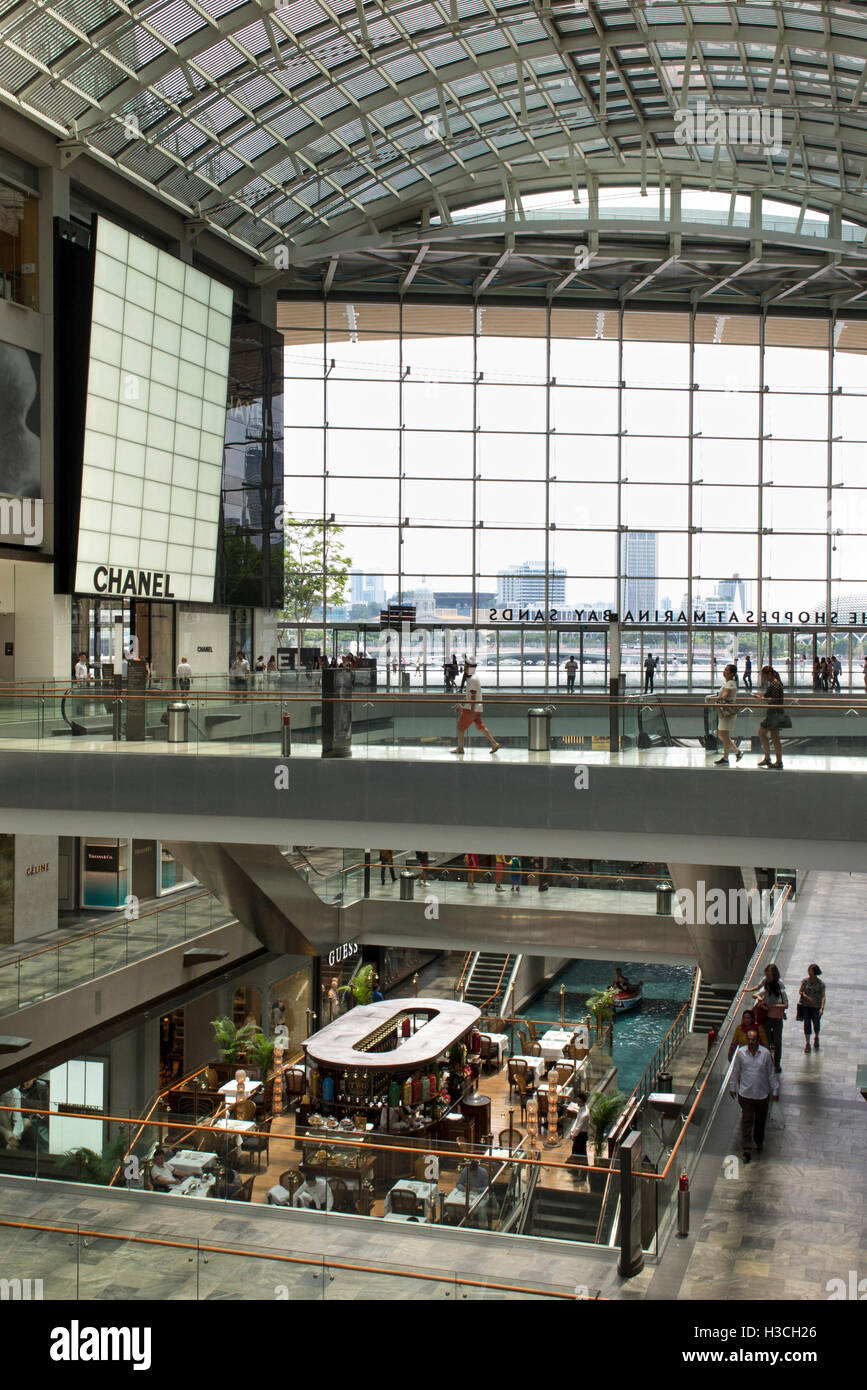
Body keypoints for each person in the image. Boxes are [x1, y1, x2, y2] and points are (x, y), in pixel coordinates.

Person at [729, 1030, 778, 1162]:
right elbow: (736, 1071)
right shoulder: (741, 1054)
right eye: (749, 1040)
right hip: (746, 1094)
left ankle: (758, 1140)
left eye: (753, 1040)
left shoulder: (765, 1054)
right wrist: (732, 1087)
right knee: (747, 1120)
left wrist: (775, 1090)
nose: (751, 1042)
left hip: (761, 1094)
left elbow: (771, 1073)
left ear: (758, 1041)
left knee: (760, 1121)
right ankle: (746, 1147)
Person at [450, 658, 500, 756]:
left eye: (465, 666)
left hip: (470, 709)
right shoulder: (473, 677)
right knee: (481, 726)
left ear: (470, 667)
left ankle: (460, 748)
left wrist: (471, 712)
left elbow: (472, 697)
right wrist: (461, 705)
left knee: (460, 728)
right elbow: (469, 696)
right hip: (477, 708)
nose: (464, 668)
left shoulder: (472, 679)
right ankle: (494, 743)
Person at [751, 963, 787, 1073]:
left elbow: (786, 1004)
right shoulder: (766, 991)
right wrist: (759, 997)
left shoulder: (781, 991)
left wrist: (773, 1006)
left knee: (777, 1041)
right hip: (766, 1018)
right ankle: (768, 1062)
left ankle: (776, 1063)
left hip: (777, 1019)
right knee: (766, 1041)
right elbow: (757, 993)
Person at [710, 662, 742, 766]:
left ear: (732, 673)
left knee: (724, 735)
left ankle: (726, 757)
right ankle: (737, 752)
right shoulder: (728, 682)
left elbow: (724, 695)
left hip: (728, 712)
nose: (724, 671)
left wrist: (713, 698)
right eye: (724, 669)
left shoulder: (730, 684)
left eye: (727, 670)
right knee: (721, 735)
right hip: (723, 712)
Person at [757, 664, 788, 770]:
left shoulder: (775, 684)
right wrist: (763, 697)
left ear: (769, 674)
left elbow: (774, 700)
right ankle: (771, 758)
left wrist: (764, 698)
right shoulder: (775, 683)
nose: (764, 678)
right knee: (769, 735)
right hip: (774, 712)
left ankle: (776, 760)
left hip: (774, 713)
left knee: (771, 736)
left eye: (764, 676)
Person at [566, 1091, 591, 1188]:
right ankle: (575, 1170)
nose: (578, 1103)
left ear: (583, 1101)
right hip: (578, 1134)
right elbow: (576, 1121)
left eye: (579, 1101)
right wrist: (572, 1131)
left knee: (582, 1155)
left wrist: (574, 1134)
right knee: (575, 1152)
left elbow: (580, 1126)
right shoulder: (581, 1109)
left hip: (582, 1135)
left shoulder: (585, 1113)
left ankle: (583, 1175)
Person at [798, 963, 825, 1053]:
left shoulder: (821, 984)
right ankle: (807, 1043)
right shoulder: (805, 981)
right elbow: (801, 991)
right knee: (807, 1023)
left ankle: (816, 1036)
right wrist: (806, 997)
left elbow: (823, 996)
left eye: (810, 970)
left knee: (816, 1023)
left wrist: (822, 1008)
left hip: (816, 1007)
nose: (809, 972)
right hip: (806, 1006)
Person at [18, 1077, 49, 1152]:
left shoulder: (41, 1087)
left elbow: (46, 1107)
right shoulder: (17, 1088)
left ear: (34, 1078)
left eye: (29, 1079)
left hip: (37, 1119)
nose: (26, 1082)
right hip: (22, 1118)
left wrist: (39, 1114)